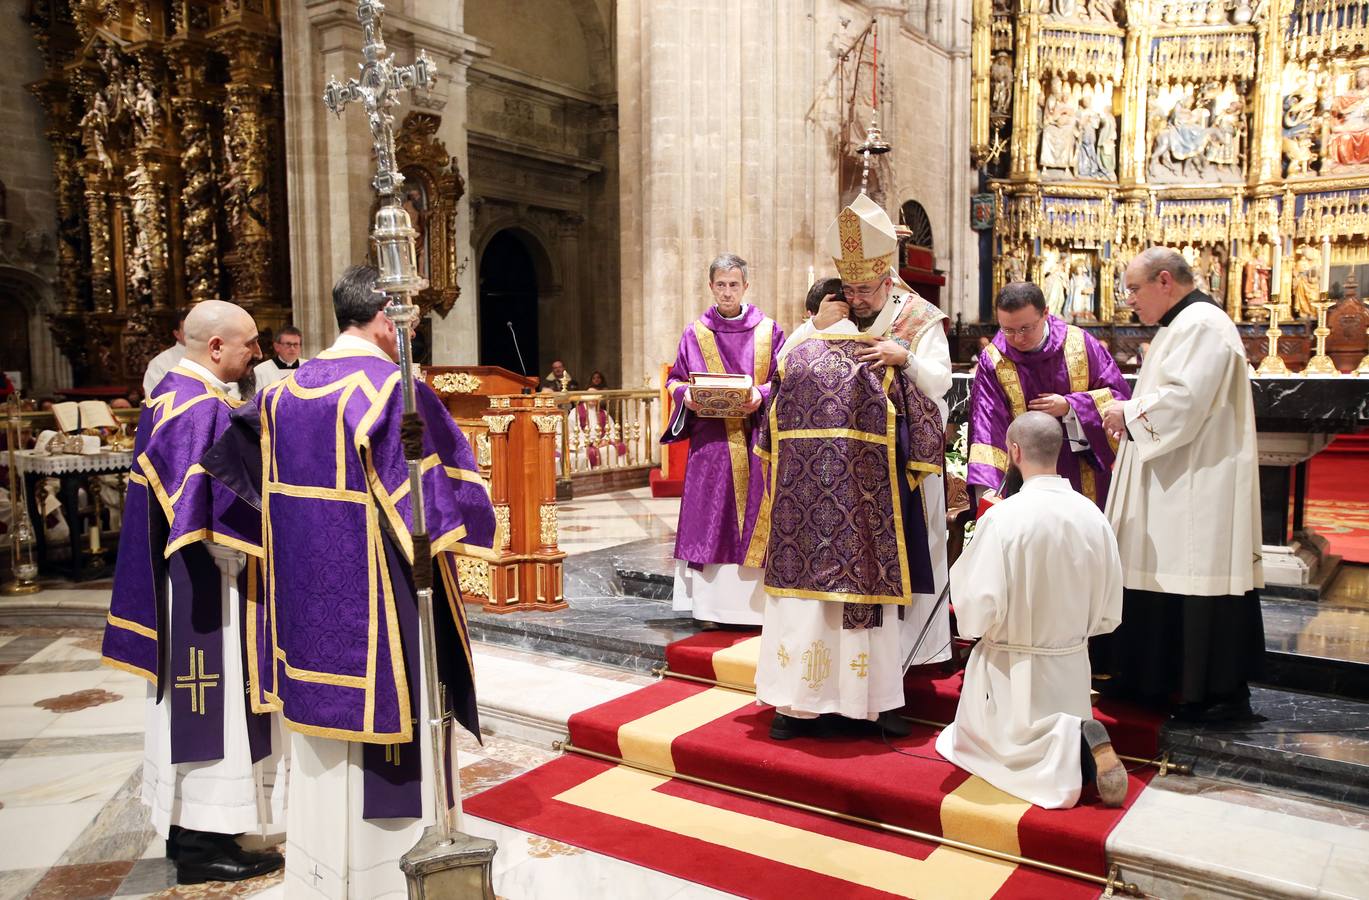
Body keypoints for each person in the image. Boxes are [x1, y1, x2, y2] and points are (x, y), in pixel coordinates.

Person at [249, 265, 498, 897]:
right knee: (397, 719)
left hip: (302, 609)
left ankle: (316, 870)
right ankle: (384, 877)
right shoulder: (392, 389)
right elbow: (440, 503)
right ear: (387, 320)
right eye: (406, 318)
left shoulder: (281, 391)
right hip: (379, 604)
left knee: (320, 747)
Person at [101, 300, 285, 885]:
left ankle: (192, 831)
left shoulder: (171, 394)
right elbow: (207, 513)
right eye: (249, 343)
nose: (256, 353)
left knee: (193, 709)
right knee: (213, 704)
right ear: (215, 348)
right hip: (208, 585)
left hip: (185, 580)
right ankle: (204, 844)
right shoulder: (197, 408)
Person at [753, 194, 948, 739]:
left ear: (888, 279)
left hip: (884, 484)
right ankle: (796, 703)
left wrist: (903, 358)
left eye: (866, 289)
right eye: (851, 289)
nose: (857, 299)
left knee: (874, 586)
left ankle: (879, 697)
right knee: (808, 594)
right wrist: (816, 323)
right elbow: (784, 376)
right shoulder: (824, 321)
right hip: (810, 491)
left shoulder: (918, 319)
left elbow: (940, 385)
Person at [1102, 247, 1264, 722]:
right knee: (1160, 574)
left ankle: (1205, 692)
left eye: (1134, 288)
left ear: (1165, 280)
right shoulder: (1183, 324)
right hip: (1177, 476)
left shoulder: (1202, 325)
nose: (1129, 299)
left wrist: (1126, 412)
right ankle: (1152, 682)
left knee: (1190, 574)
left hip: (1197, 482)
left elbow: (1186, 401)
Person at [936, 411, 1127, 809]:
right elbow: (1110, 605)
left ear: (1015, 451)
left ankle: (1062, 738)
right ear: (1058, 451)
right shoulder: (1093, 515)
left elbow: (976, 610)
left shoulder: (1005, 518)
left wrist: (981, 631)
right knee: (1053, 715)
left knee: (977, 743)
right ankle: (1077, 734)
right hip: (1072, 665)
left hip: (1012, 667)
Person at [663, 253, 783, 627]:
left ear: (746, 286)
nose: (727, 292)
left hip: (756, 439)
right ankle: (710, 608)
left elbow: (782, 380)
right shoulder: (695, 332)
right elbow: (676, 380)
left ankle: (755, 609)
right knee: (711, 517)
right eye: (721, 285)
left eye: (734, 285)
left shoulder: (769, 330)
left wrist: (760, 396)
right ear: (711, 286)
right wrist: (688, 396)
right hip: (712, 444)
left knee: (754, 515)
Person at [968, 281, 1131, 509]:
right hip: (1022, 476)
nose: (1017, 338)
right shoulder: (994, 360)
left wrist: (1071, 406)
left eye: (1026, 328)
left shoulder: (1080, 344)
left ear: (1045, 313)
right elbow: (987, 426)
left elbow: (1120, 399)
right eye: (1008, 330)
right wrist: (988, 493)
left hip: (1081, 467)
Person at [143, 308, 190, 398]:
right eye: (188, 330)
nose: (194, 333)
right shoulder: (160, 363)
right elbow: (154, 399)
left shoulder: (215, 355)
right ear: (177, 334)